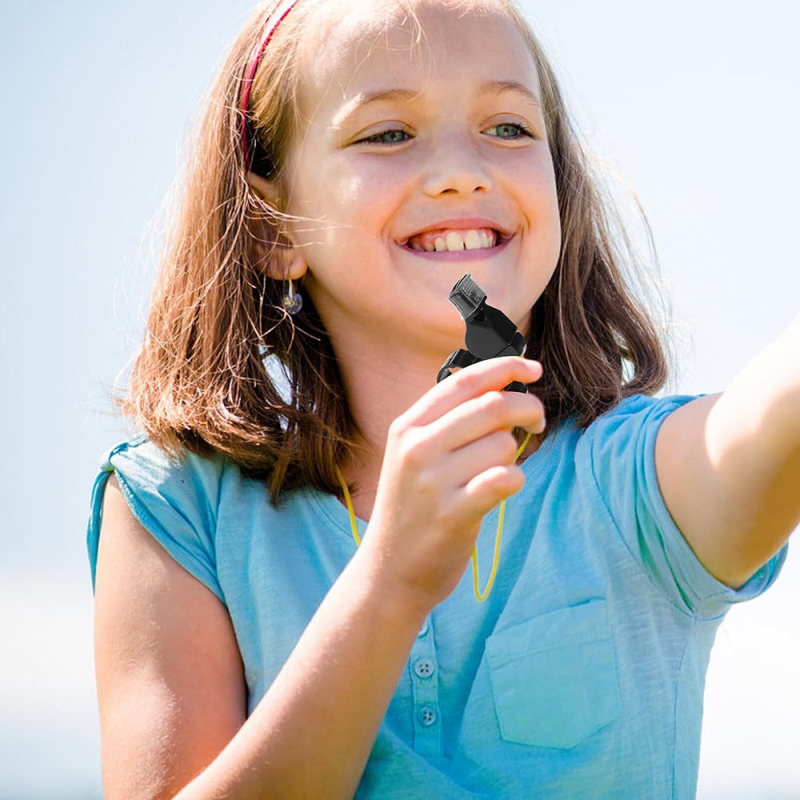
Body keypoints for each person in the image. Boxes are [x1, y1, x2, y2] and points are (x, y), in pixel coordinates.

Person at [86, 0, 798, 797]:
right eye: (388, 133)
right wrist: (390, 581)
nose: (466, 169)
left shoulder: (638, 485)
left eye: (509, 128)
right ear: (271, 229)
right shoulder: (179, 509)